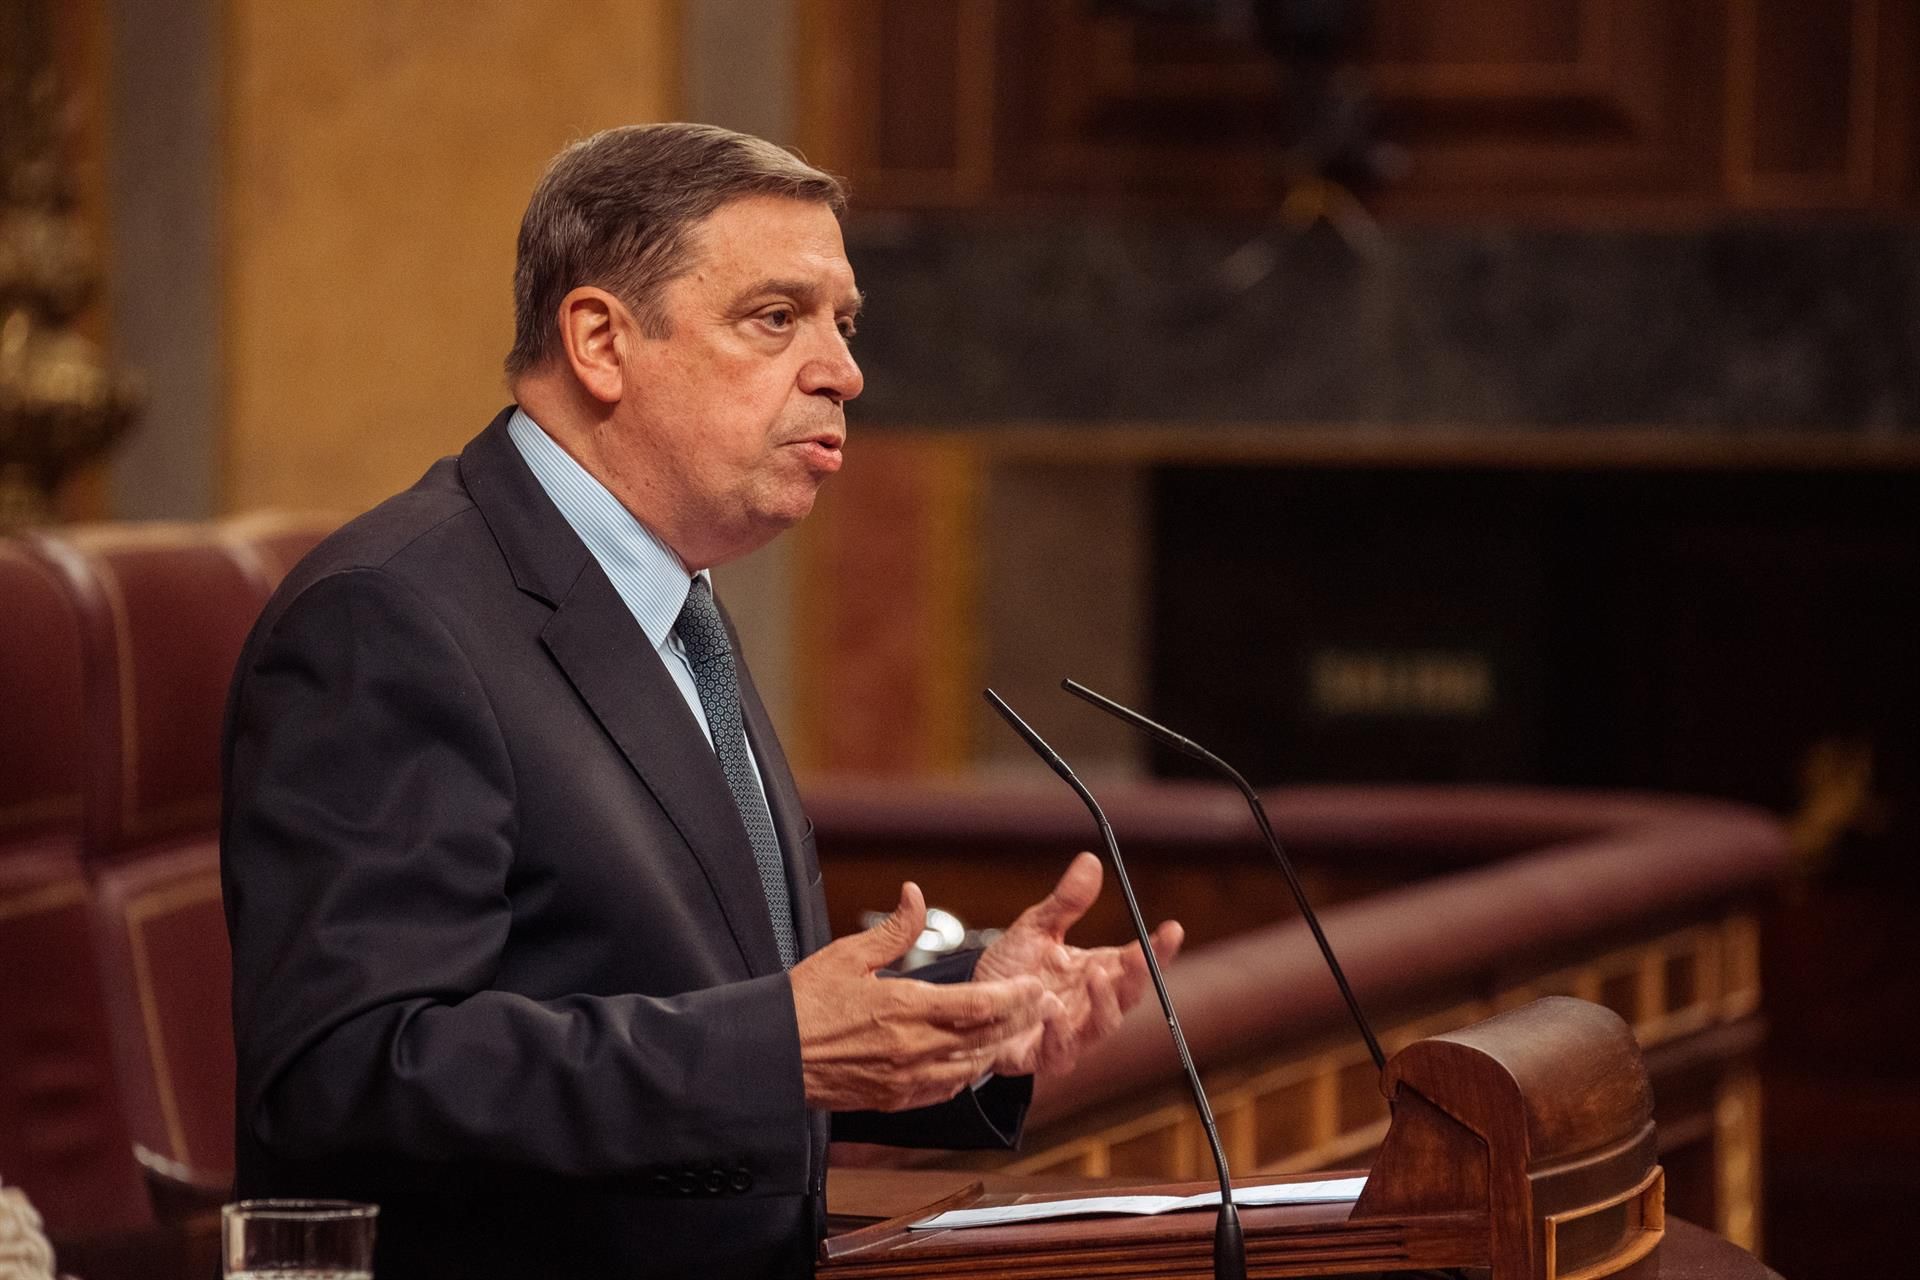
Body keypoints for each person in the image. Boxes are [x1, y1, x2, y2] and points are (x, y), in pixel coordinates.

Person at [220, 123, 1182, 1280]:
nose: (843, 369)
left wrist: (959, 1020)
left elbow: (683, 994)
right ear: (600, 341)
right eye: (776, 318)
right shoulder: (392, 619)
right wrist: (782, 1048)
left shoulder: (675, 601)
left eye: (844, 321)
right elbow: (351, 1072)